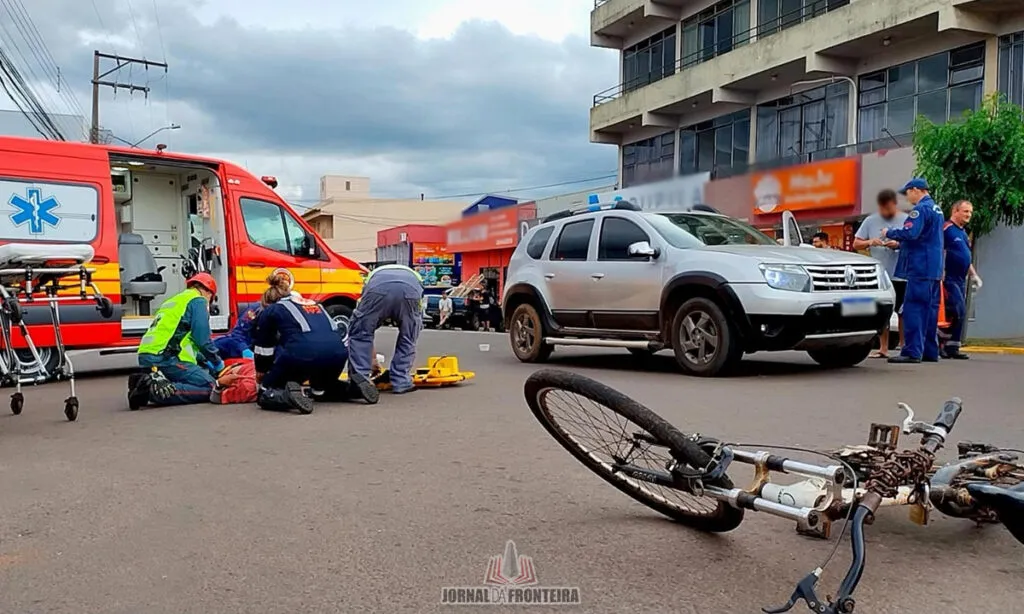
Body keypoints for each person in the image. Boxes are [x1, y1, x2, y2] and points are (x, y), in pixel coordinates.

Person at [251, 273, 356, 414]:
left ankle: (286, 396)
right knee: (321, 390)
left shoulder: (272, 310)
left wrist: (262, 373)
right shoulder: (315, 305)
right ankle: (353, 390)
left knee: (265, 393)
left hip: (302, 355)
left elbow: (264, 348)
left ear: (268, 302)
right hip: (338, 354)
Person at [128, 273, 223, 409]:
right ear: (208, 291)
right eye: (211, 299)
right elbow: (202, 339)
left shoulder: (176, 300)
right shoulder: (198, 301)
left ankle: (145, 382)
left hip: (148, 356)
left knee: (192, 376)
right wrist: (217, 362)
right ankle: (150, 391)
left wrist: (203, 358)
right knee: (211, 386)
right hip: (163, 358)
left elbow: (182, 339)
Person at [882, 178, 945, 364]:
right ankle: (929, 351)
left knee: (914, 309)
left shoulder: (920, 210)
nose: (907, 197)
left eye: (908, 192)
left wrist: (890, 232)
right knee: (930, 311)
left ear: (916, 190)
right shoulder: (937, 209)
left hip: (920, 267)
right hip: (933, 268)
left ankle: (912, 351)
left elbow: (911, 233)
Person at [347, 264, 424, 397]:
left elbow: (363, 333)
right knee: (408, 336)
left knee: (360, 333)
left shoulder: (372, 276)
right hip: (410, 290)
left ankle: (360, 380)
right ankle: (401, 381)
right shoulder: (414, 275)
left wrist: (372, 359)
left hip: (377, 290)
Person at [853, 189, 908, 358]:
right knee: (883, 310)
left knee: (902, 311)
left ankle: (903, 345)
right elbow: (856, 244)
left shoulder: (906, 219)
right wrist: (870, 242)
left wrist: (898, 244)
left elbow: (914, 242)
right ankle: (883, 347)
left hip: (901, 273)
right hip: (880, 274)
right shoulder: (870, 221)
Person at [941, 200, 982, 359]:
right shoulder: (947, 229)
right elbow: (940, 250)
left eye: (970, 212)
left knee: (960, 313)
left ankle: (953, 347)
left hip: (960, 279)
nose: (968, 215)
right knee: (956, 310)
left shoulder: (963, 233)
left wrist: (974, 275)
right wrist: (941, 272)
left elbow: (966, 258)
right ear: (955, 211)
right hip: (948, 278)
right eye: (965, 211)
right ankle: (941, 343)